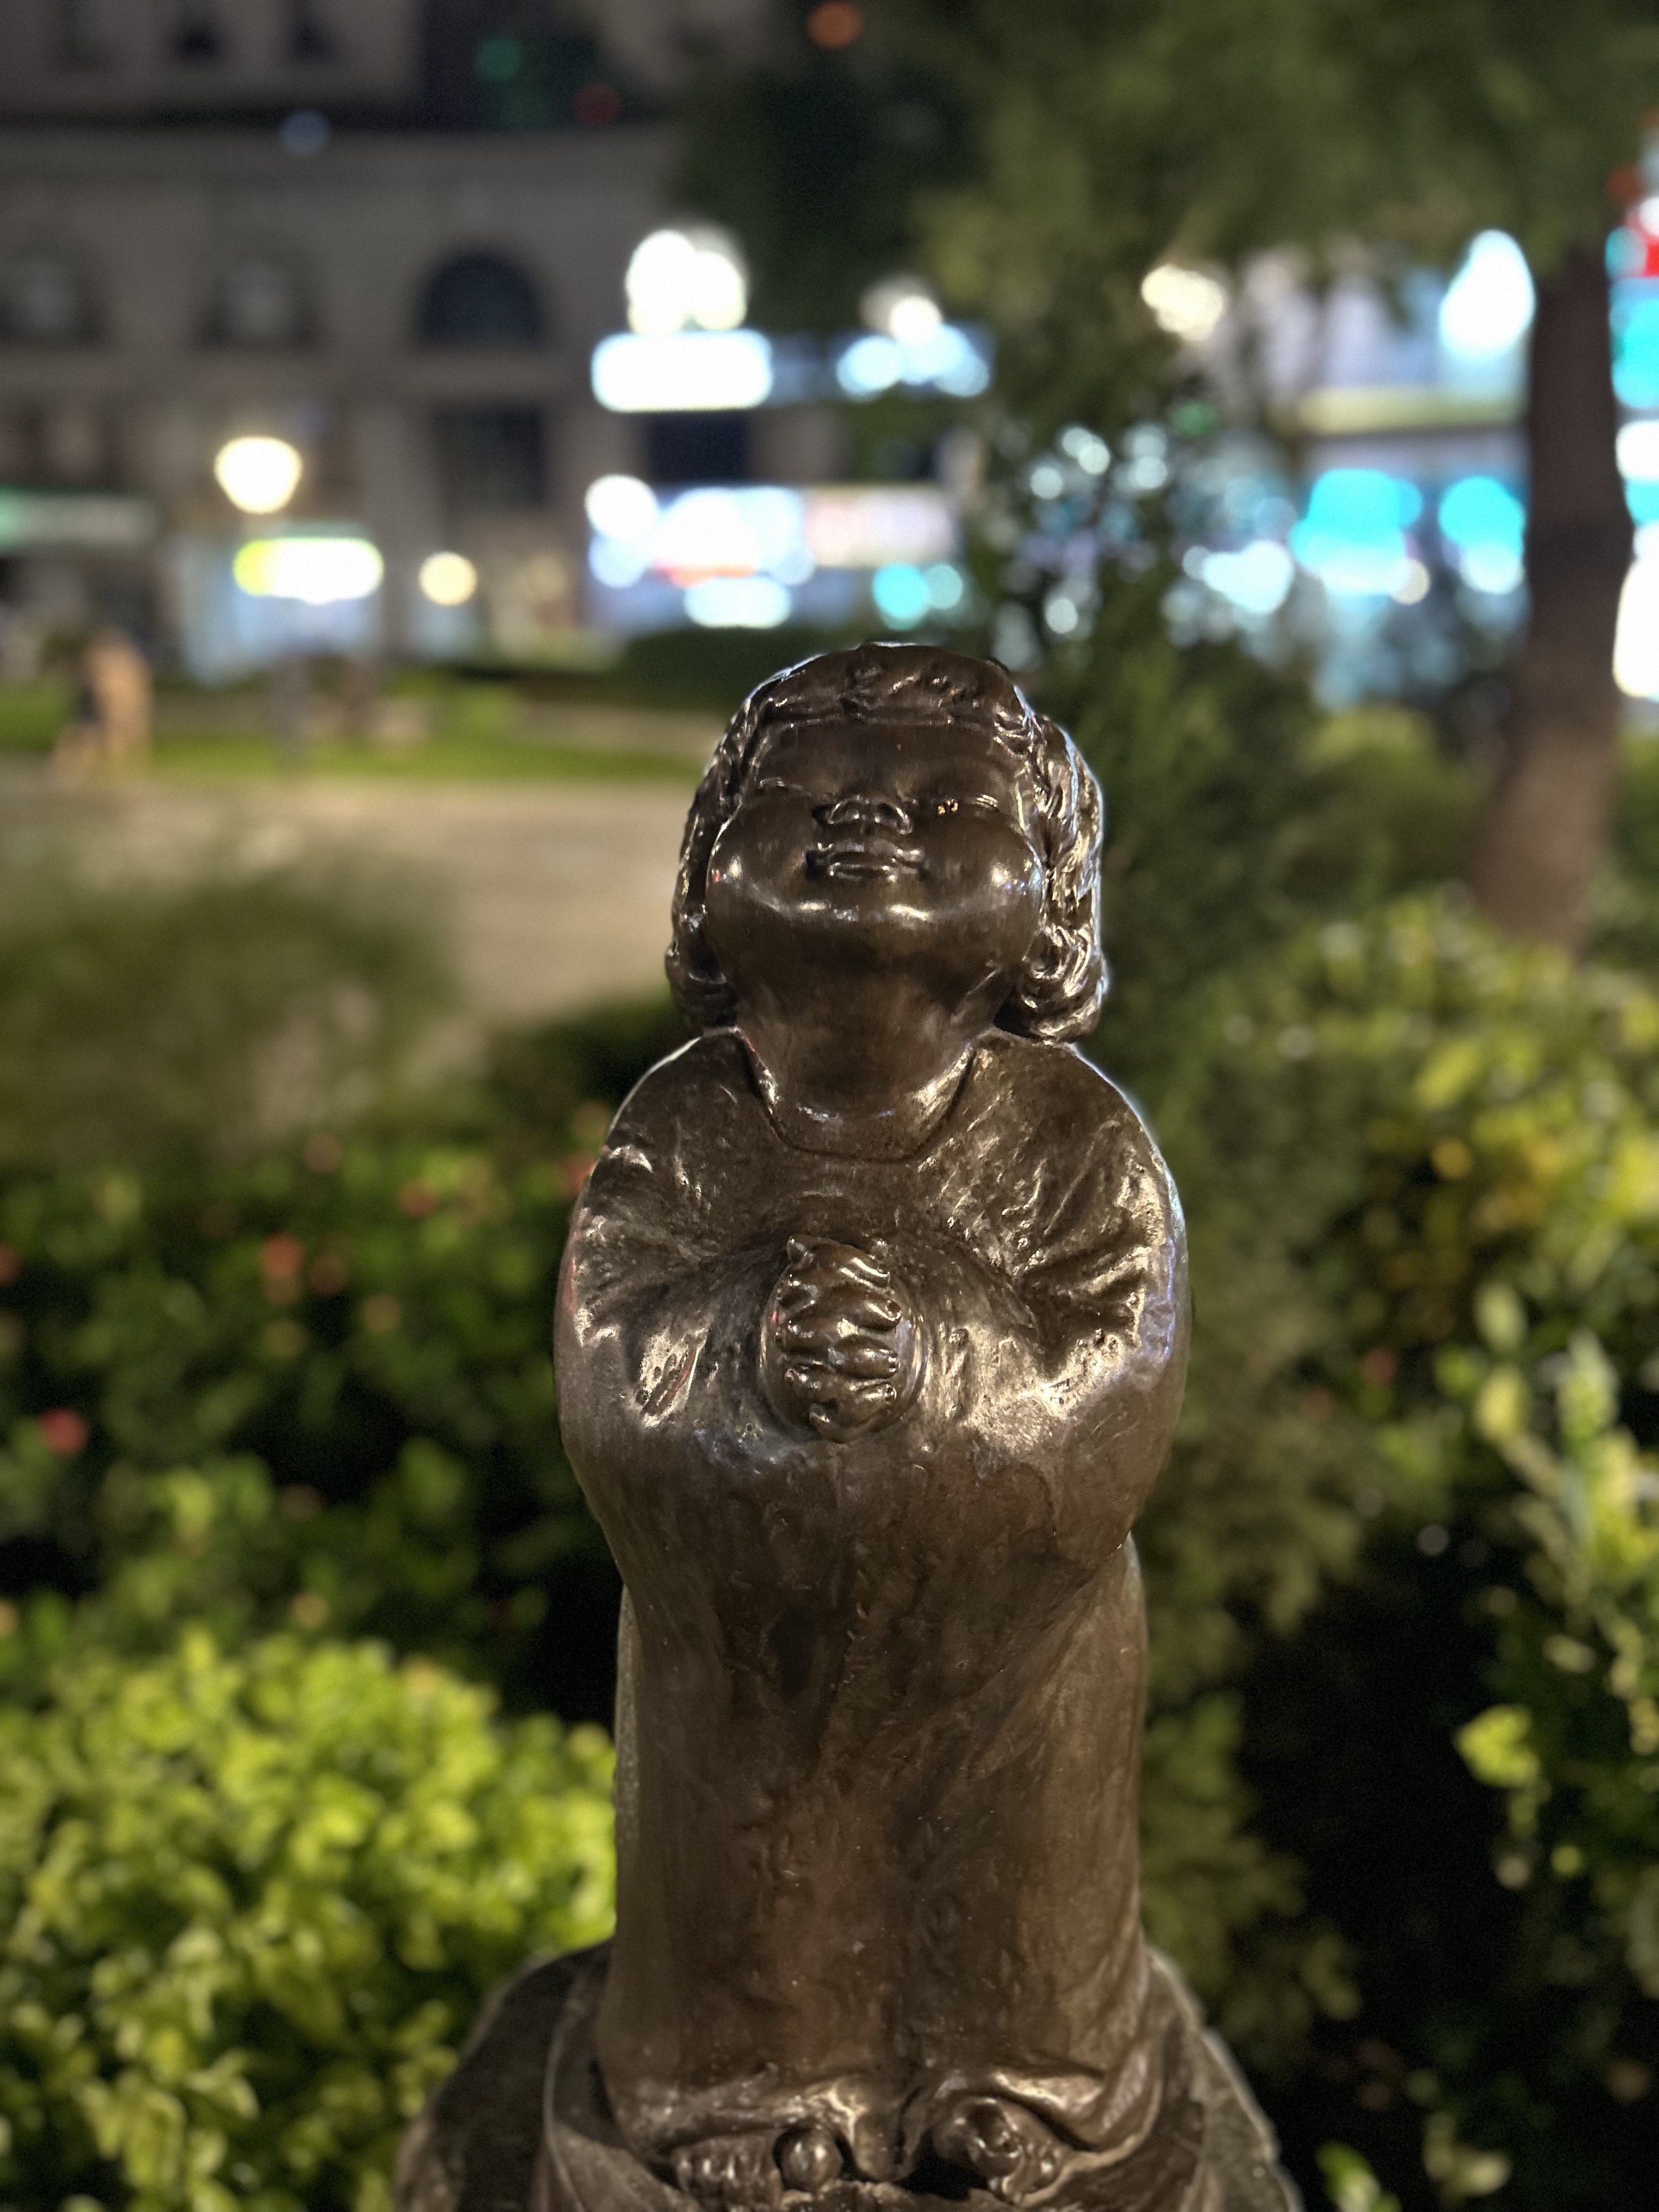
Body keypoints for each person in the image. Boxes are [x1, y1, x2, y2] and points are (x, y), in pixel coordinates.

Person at [554, 644, 1199, 2211]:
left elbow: (1118, 1375)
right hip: (741, 1656)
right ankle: (741, 2079)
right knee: (743, 1854)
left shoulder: (1072, 1140)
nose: (870, 821)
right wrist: (739, 1352)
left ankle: (1028, 2077)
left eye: (949, 801)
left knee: (1019, 1870)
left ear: (1049, 897)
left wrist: (942, 1357)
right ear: (710, 879)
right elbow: (606, 1357)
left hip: (1017, 1653)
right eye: (803, 797)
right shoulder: (689, 1126)